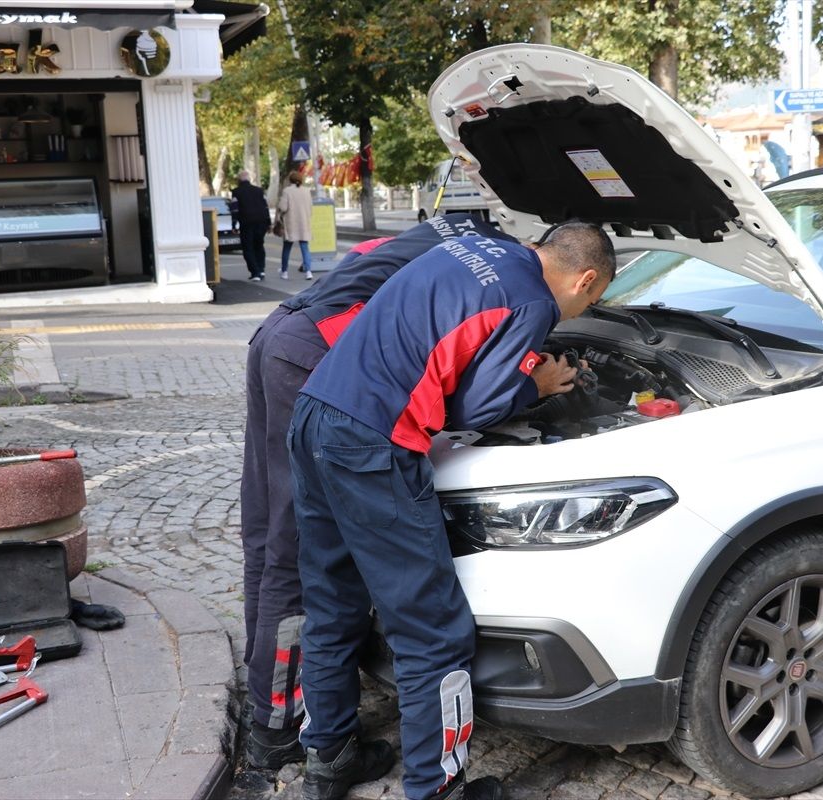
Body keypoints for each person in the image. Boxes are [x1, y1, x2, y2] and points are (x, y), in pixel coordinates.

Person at [288, 221, 616, 800]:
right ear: (586, 279)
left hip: (315, 411)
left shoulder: (476, 248)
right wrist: (539, 382)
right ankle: (437, 789)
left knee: (331, 597)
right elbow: (475, 404)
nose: (578, 311)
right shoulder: (534, 301)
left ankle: (329, 756)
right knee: (434, 631)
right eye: (591, 299)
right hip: (373, 442)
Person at [239, 213, 516, 771]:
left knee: (267, 537)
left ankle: (272, 708)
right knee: (297, 562)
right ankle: (278, 729)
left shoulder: (441, 234)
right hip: (315, 358)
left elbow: (366, 261)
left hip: (278, 332)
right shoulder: (499, 265)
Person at [233, 170, 270, 281]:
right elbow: (265, 207)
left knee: (248, 248)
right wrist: (269, 223)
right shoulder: (259, 191)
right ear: (249, 179)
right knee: (259, 245)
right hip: (261, 222)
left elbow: (234, 209)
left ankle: (255, 272)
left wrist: (234, 224)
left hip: (246, 223)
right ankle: (261, 269)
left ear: (239, 180)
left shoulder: (236, 192)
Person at [277, 171, 313, 280]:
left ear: (290, 180)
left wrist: (280, 214)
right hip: (304, 223)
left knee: (287, 248)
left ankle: (284, 272)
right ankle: (308, 272)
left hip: (291, 223)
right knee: (305, 248)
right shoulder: (307, 191)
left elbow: (283, 207)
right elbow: (310, 207)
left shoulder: (287, 191)